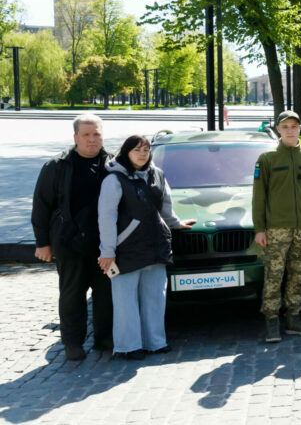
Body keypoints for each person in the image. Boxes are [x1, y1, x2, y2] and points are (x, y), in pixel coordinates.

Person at [97, 135, 196, 359]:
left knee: (155, 298)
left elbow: (166, 206)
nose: (142, 154)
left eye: (146, 149)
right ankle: (128, 347)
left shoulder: (157, 174)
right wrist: (107, 251)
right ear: (126, 152)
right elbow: (106, 218)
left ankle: (155, 342)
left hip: (155, 246)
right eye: (136, 150)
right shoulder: (114, 180)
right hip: (126, 249)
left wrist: (175, 224)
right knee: (125, 302)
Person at [31, 114, 114, 361]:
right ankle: (73, 343)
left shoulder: (112, 164)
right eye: (86, 135)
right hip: (69, 243)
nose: (92, 139)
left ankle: (105, 339)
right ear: (76, 137)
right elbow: (41, 206)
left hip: (104, 245)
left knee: (106, 295)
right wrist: (42, 243)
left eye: (96, 134)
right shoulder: (56, 166)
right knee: (72, 296)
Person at [253, 110, 301, 342]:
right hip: (276, 229)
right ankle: (271, 320)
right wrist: (260, 228)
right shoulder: (267, 158)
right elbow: (259, 196)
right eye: (286, 127)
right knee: (274, 275)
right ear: (278, 130)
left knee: (298, 275)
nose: (290, 130)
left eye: (294, 126)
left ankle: (293, 317)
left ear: (300, 128)